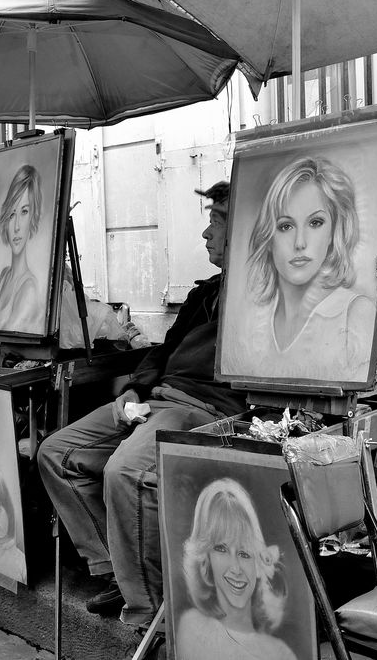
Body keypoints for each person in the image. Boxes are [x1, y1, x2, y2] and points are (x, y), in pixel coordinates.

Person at [37, 181, 248, 627]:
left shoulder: (258, 292)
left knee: (125, 470)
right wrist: (134, 388)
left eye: (216, 223)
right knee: (56, 454)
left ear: (244, 226)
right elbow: (162, 351)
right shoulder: (202, 293)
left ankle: (147, 613)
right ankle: (118, 569)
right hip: (157, 399)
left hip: (205, 407)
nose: (206, 235)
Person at [229, 156, 374, 382]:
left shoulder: (354, 313)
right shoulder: (252, 320)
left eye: (315, 223)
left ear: (334, 232)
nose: (299, 242)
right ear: (268, 237)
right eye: (285, 226)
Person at [177, 478, 297, 660]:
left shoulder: (281, 653)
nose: (235, 568)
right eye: (221, 549)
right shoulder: (192, 627)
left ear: (258, 565)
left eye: (244, 553)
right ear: (205, 561)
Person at [0, 164, 43, 333]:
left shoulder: (29, 288)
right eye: (12, 214)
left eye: (24, 212)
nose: (17, 226)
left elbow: (13, 341)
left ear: (33, 216)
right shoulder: (4, 276)